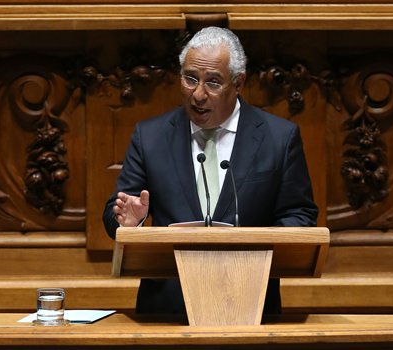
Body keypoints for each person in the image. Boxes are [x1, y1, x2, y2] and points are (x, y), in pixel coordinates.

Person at [103, 26, 318, 316]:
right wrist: (130, 223)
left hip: (250, 303)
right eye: (190, 79)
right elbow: (116, 212)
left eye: (213, 82)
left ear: (239, 82)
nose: (198, 95)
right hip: (168, 309)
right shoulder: (150, 136)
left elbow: (300, 216)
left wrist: (250, 249)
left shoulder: (279, 138)